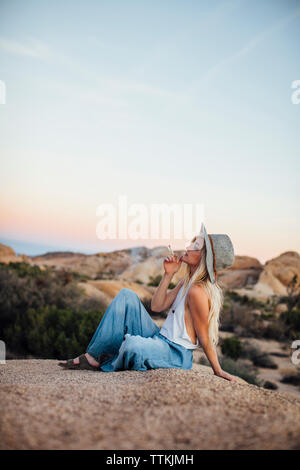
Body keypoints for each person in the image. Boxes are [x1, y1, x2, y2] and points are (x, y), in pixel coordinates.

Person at [58, 223, 237, 381]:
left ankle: (110, 359)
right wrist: (168, 275)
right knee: (126, 295)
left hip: (175, 354)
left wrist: (218, 370)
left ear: (205, 258)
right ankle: (94, 357)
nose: (188, 247)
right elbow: (157, 306)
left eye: (195, 246)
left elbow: (205, 337)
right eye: (192, 243)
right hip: (159, 338)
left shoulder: (197, 291)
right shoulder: (185, 282)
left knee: (132, 345)